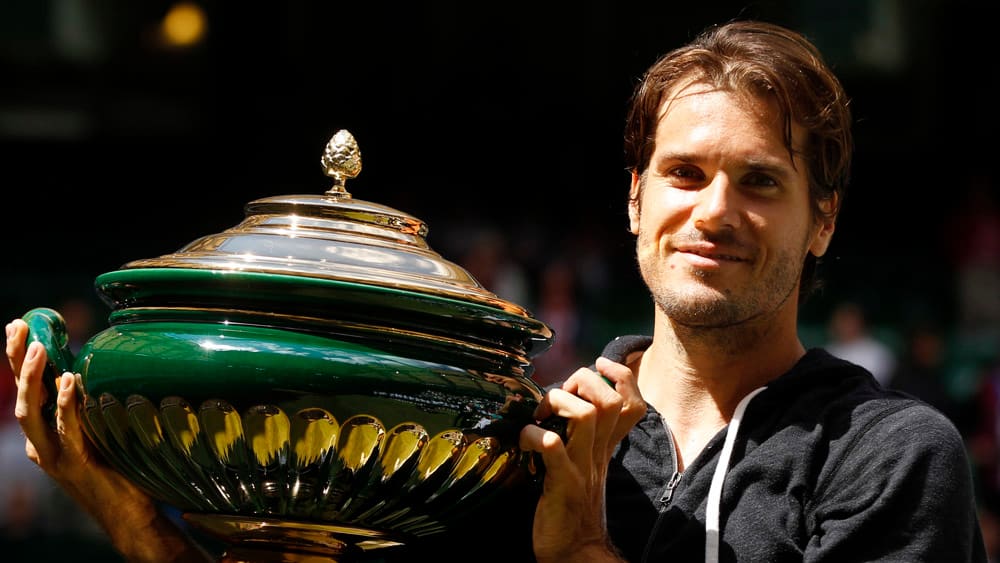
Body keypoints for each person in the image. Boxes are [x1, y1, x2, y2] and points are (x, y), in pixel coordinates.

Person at [5, 19, 987, 563]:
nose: (715, 210)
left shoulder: (891, 457)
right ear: (636, 199)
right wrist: (136, 519)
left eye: (760, 181)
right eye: (685, 174)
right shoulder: (504, 449)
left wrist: (583, 546)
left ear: (823, 220)